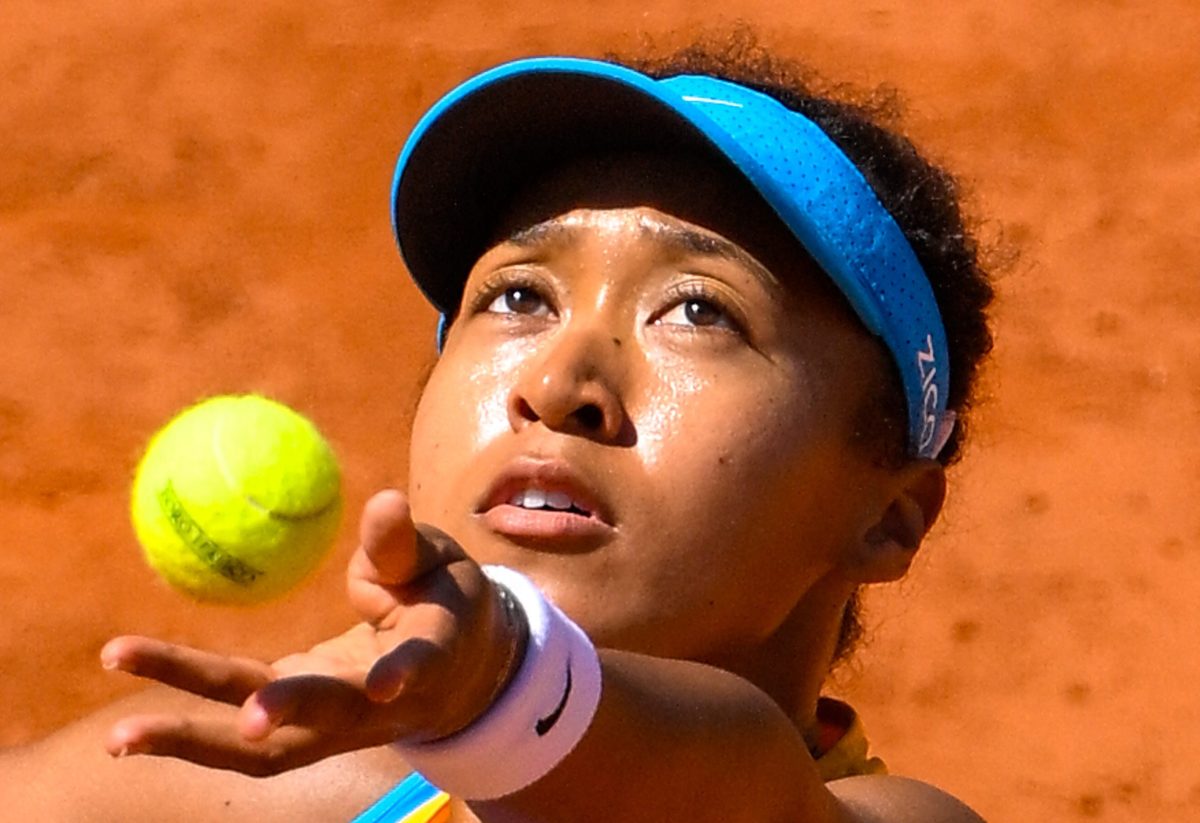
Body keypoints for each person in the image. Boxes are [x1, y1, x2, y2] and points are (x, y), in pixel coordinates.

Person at [0, 37, 994, 822]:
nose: (560, 383)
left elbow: (729, 790)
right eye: (519, 297)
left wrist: (506, 676)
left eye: (699, 311)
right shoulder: (269, 789)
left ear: (891, 515)